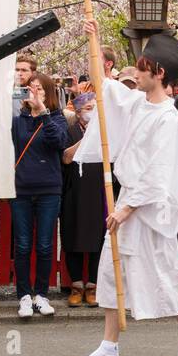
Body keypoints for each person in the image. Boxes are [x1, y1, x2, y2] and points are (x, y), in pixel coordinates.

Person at [68, 29, 178, 356]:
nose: (136, 72)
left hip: (149, 207)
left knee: (161, 271)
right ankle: (108, 346)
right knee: (112, 269)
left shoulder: (167, 118)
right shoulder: (139, 104)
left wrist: (129, 207)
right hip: (131, 200)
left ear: (159, 73)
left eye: (143, 68)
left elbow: (159, 170)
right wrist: (92, 39)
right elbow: (108, 89)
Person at [11, 73, 69, 318]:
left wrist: (43, 113)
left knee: (45, 244)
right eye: (30, 89)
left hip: (48, 189)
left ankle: (42, 294)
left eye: (40, 89)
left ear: (49, 94)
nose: (34, 93)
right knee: (22, 244)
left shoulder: (57, 119)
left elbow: (58, 142)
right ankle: (24, 295)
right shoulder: (18, 121)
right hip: (21, 189)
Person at [59, 91, 107, 308]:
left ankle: (93, 285)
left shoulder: (105, 133)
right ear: (78, 113)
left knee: (99, 238)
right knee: (73, 236)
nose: (93, 113)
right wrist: (88, 137)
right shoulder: (70, 131)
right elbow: (66, 157)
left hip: (99, 190)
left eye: (95, 108)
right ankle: (76, 285)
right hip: (74, 190)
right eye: (88, 109)